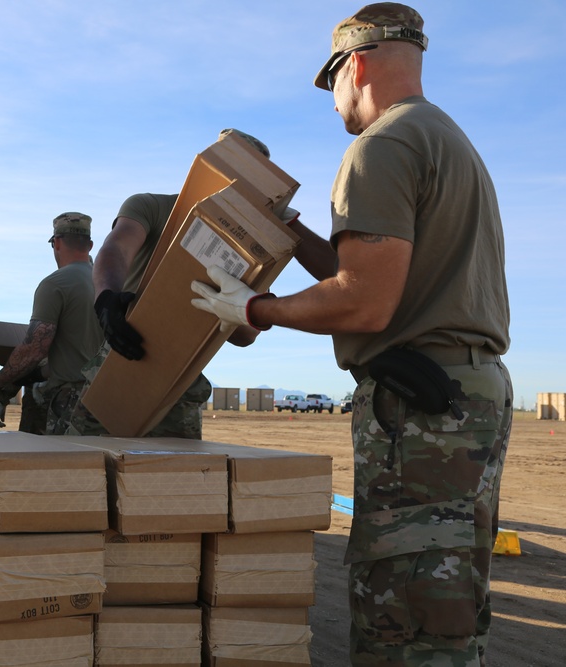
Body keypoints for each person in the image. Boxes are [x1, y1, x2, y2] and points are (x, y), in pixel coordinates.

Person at [190, 5, 513, 664]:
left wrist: (254, 309)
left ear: (355, 65)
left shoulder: (381, 146)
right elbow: (368, 268)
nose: (333, 104)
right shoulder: (444, 138)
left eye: (331, 83)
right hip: (464, 395)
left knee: (404, 618)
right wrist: (291, 228)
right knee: (449, 607)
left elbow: (365, 301)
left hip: (420, 413)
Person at [64, 130, 266, 439]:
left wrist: (244, 310)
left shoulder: (253, 247)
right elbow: (116, 248)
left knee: (171, 478)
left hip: (180, 382)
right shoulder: (152, 207)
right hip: (121, 362)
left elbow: (245, 336)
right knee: (87, 465)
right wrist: (107, 298)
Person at [0, 213, 102, 435]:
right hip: (106, 396)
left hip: (71, 400)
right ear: (90, 245)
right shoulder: (108, 283)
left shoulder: (55, 284)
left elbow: (35, 347)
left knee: (66, 466)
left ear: (57, 242)